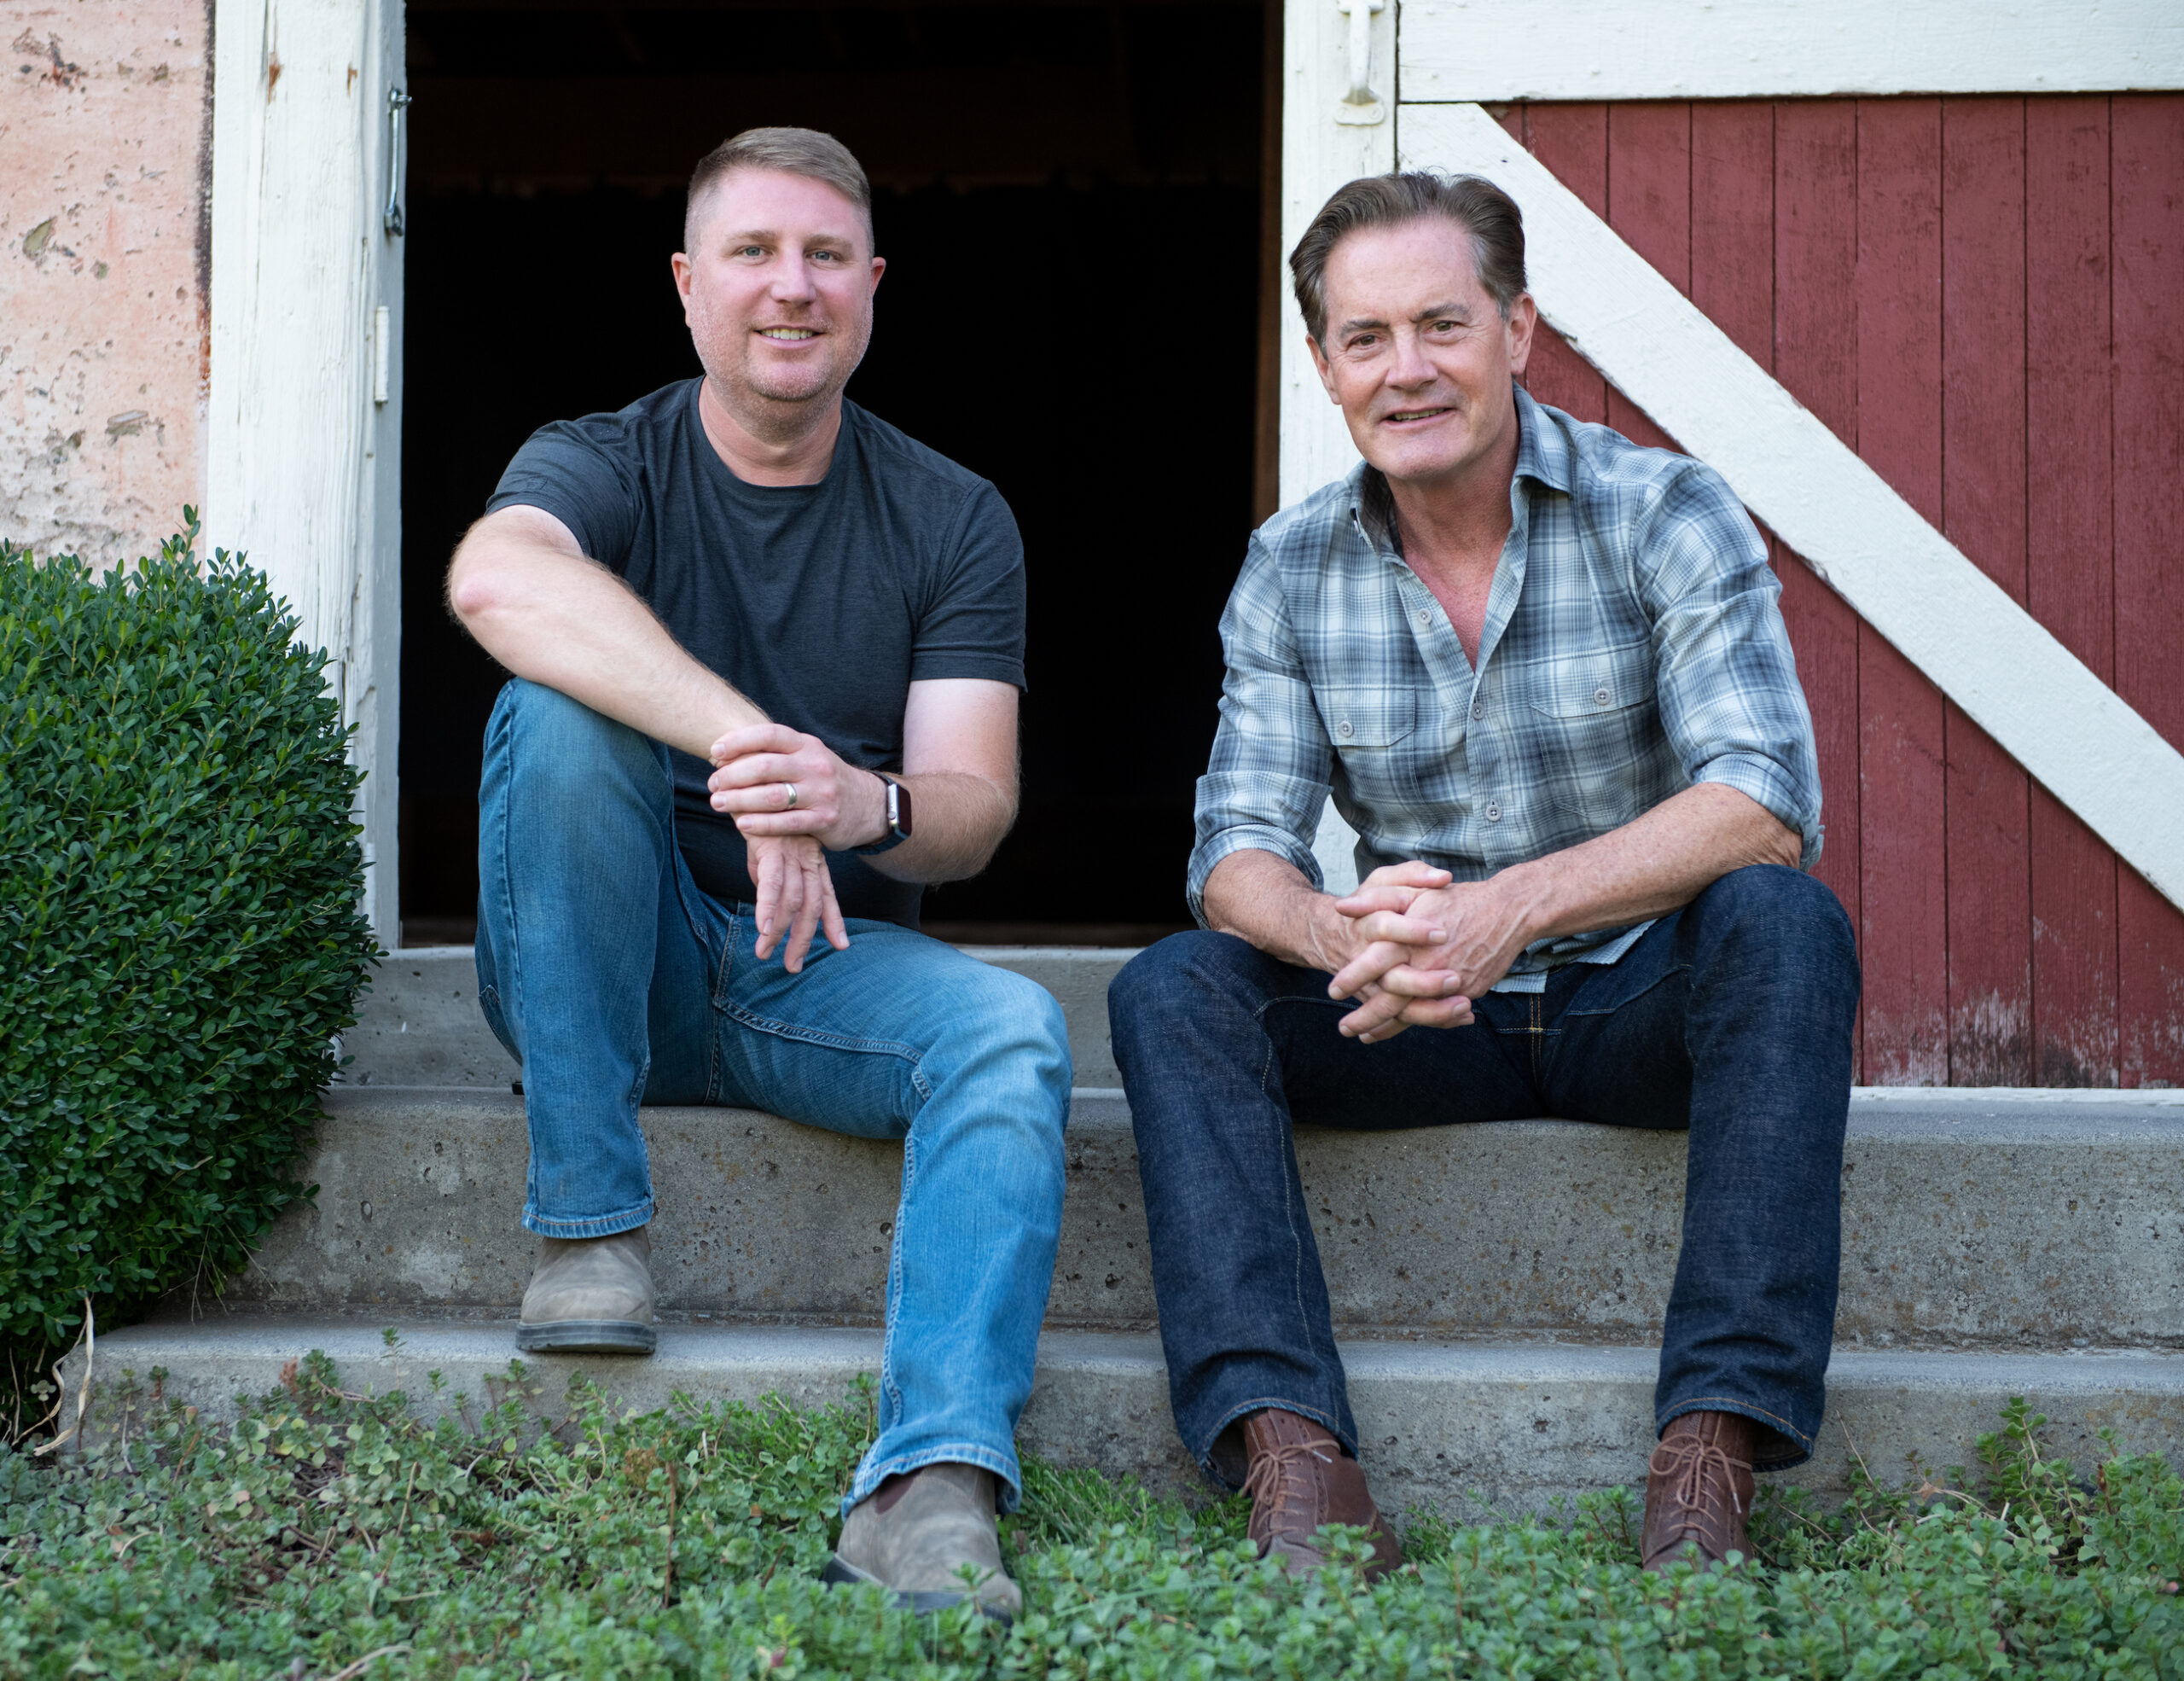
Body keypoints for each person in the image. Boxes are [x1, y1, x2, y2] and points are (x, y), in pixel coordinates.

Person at [1109, 171, 1858, 1578]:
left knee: (1783, 922)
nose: (1408, 370)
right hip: (1421, 1021)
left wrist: (1506, 906)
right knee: (1177, 989)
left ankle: (1713, 1446)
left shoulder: (1663, 510)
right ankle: (1293, 1457)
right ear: (1326, 366)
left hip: (1634, 999)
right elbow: (1232, 856)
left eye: (1442, 325)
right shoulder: (1289, 567)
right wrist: (1335, 931)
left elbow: (1763, 800)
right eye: (1367, 337)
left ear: (1518, 330)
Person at [446, 126, 1066, 1620]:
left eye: (825, 256)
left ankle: (930, 1487)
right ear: (686, 286)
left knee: (1015, 1032)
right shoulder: (602, 456)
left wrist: (852, 800)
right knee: (557, 699)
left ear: (871, 287)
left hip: (818, 962)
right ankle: (588, 1230)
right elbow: (493, 578)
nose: (790, 288)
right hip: (616, 950)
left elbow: (974, 809)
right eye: (752, 253)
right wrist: (748, 749)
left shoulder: (952, 513)